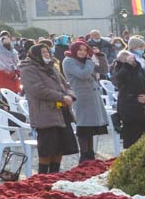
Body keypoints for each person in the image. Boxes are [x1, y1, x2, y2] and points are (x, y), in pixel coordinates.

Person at [19, 41, 76, 175]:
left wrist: (70, 95)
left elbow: (65, 84)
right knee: (47, 148)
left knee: (60, 146)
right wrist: (61, 97)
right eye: (43, 52)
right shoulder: (28, 69)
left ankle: (54, 174)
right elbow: (37, 90)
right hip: (45, 113)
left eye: (48, 52)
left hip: (61, 111)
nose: (47, 54)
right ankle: (43, 176)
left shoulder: (52, 67)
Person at [60, 40, 109, 163]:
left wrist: (99, 56)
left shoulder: (87, 61)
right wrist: (89, 61)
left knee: (91, 127)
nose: (82, 52)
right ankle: (84, 154)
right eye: (80, 50)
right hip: (82, 97)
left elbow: (103, 69)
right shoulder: (69, 61)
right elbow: (83, 75)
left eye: (85, 50)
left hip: (93, 96)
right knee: (84, 126)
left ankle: (90, 154)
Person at [110, 46, 145, 150]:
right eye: (125, 59)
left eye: (131, 58)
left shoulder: (141, 70)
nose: (131, 61)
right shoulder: (118, 70)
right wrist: (126, 66)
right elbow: (118, 81)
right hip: (129, 111)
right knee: (132, 142)